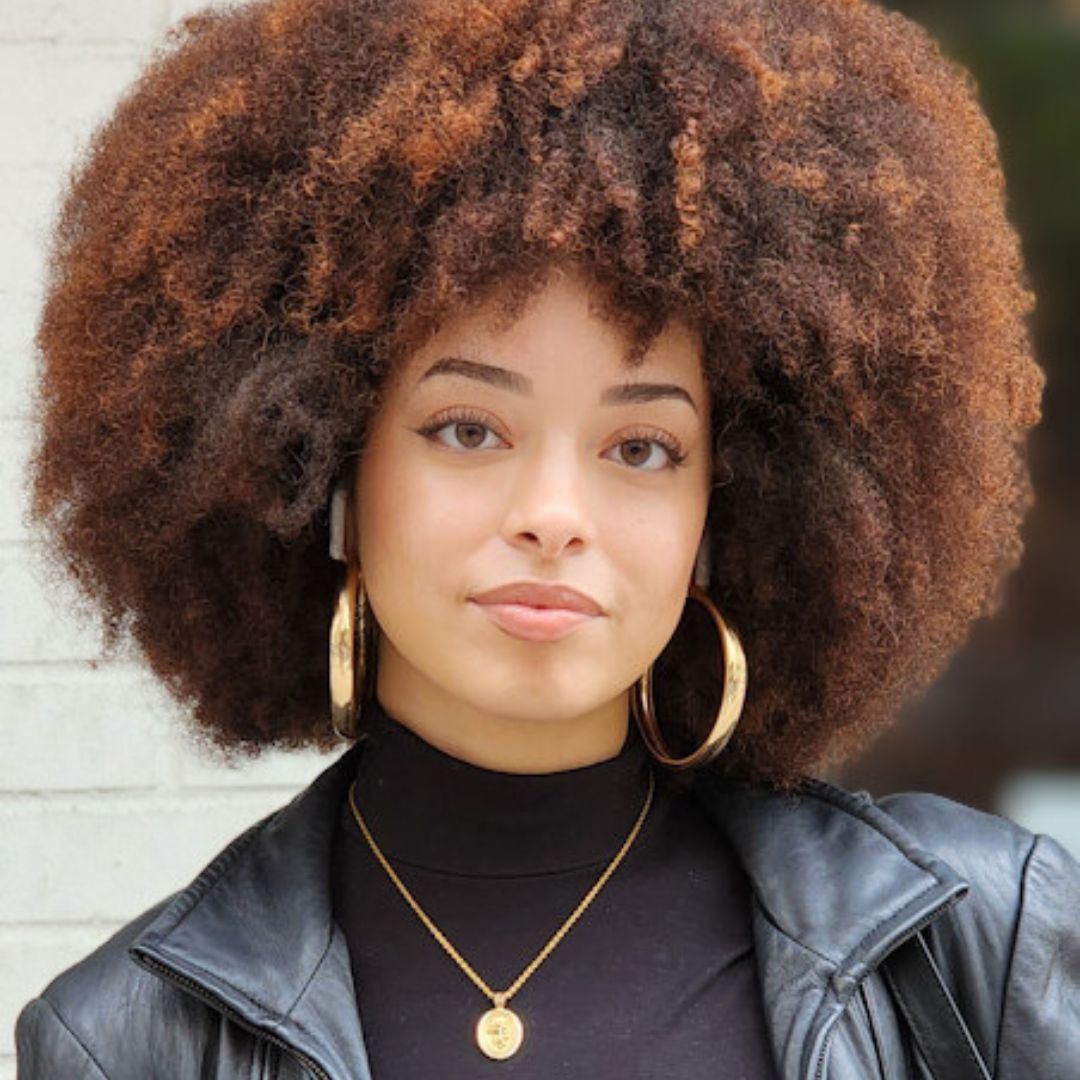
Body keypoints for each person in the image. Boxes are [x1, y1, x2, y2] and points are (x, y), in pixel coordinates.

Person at [14, 0, 1079, 1076]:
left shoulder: (979, 951)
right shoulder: (127, 1042)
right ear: (323, 465)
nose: (555, 515)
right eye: (469, 429)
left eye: (642, 447)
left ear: (731, 510)